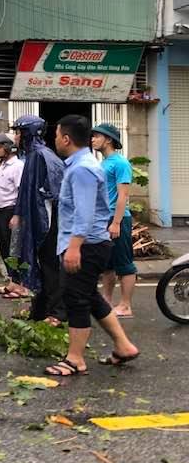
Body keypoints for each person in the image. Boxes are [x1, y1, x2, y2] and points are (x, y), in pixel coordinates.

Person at [44, 115, 139, 377]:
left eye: (56, 136)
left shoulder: (83, 168)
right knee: (90, 297)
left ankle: (75, 359)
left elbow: (84, 214)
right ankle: (124, 346)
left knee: (76, 300)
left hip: (87, 245)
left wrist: (74, 248)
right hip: (89, 243)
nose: (54, 141)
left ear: (66, 138)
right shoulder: (80, 164)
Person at [10, 115, 66, 325]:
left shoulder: (43, 156)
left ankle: (58, 312)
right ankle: (41, 309)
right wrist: (19, 214)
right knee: (40, 266)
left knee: (50, 267)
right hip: (36, 220)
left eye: (18, 132)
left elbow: (53, 192)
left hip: (47, 222)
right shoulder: (32, 155)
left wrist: (42, 223)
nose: (15, 136)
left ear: (29, 133)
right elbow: (26, 191)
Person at [91, 123, 138, 318]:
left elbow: (122, 196)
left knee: (124, 263)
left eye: (96, 136)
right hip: (104, 218)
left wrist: (116, 222)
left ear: (108, 139)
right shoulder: (104, 163)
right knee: (107, 264)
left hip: (117, 218)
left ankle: (126, 305)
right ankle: (107, 301)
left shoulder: (120, 163)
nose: (92, 139)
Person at [0, 132, 26, 297]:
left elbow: (21, 193)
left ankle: (20, 285)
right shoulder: (3, 165)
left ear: (9, 148)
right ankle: (13, 282)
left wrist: (16, 215)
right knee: (5, 248)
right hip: (1, 212)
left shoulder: (17, 166)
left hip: (11, 212)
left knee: (14, 249)